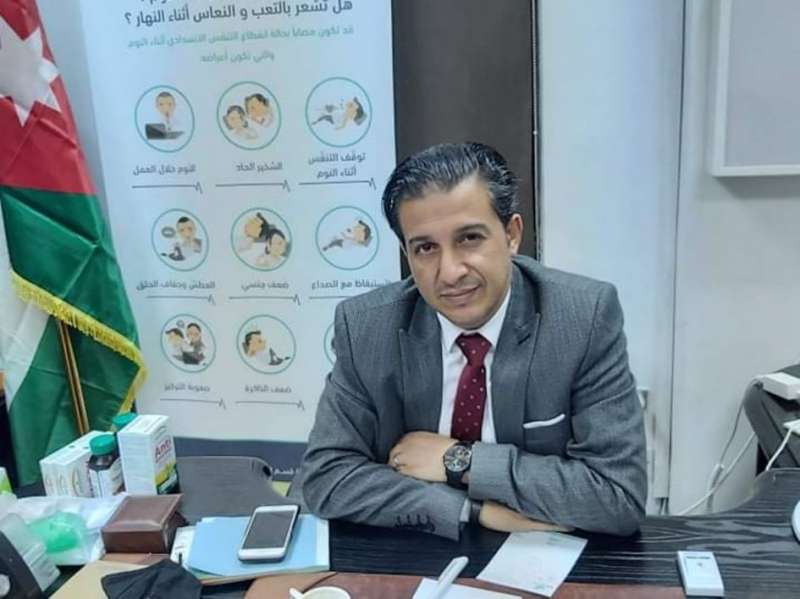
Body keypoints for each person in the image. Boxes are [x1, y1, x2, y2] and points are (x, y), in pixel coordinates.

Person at [298, 142, 647, 540]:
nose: (450, 272)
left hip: (548, 553)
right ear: (407, 254)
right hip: (420, 548)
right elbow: (326, 477)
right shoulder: (366, 327)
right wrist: (470, 510)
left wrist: (460, 461)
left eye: (469, 238)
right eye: (425, 248)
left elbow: (617, 497)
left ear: (512, 235)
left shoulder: (582, 319)